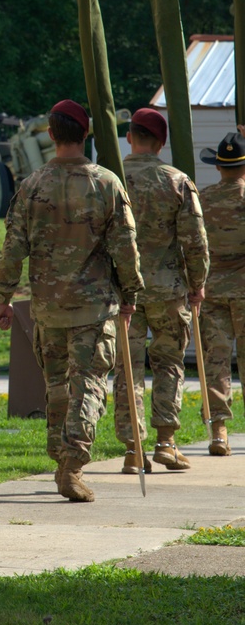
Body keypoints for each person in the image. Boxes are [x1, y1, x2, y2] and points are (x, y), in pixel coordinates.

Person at [0, 99, 142, 502]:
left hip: (47, 307)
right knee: (88, 385)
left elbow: (11, 250)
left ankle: (61, 457)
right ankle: (72, 465)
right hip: (93, 307)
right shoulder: (107, 183)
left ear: (51, 135)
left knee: (57, 387)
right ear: (86, 133)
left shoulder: (32, 185)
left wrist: (3, 299)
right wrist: (130, 294)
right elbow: (125, 249)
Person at [112, 107, 208, 473]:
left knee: (128, 370)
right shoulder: (177, 181)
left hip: (125, 293)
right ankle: (166, 442)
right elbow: (195, 241)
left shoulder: (111, 179)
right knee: (168, 364)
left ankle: (133, 449)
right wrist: (197, 283)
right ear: (162, 142)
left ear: (129, 138)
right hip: (168, 289)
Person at [198, 130, 245, 455]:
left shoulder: (204, 199)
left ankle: (219, 432)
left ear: (218, 166)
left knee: (215, 362)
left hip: (211, 289)